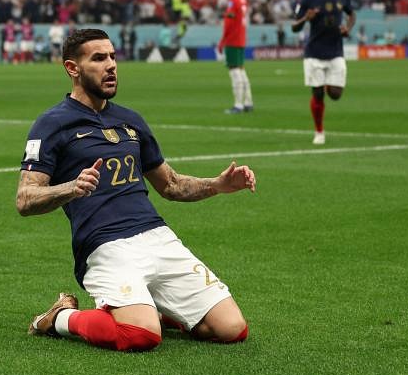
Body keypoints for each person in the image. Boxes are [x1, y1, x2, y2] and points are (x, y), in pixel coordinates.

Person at [17, 28, 255, 352]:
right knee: (140, 336)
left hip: (156, 236)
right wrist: (71, 188)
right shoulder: (52, 124)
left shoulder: (131, 120)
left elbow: (170, 184)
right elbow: (26, 199)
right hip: (105, 245)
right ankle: (60, 317)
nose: (111, 65)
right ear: (72, 68)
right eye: (99, 58)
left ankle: (150, 305)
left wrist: (218, 184)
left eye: (113, 57)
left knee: (232, 329)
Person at [291, 0, 355, 145]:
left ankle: (327, 84)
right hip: (314, 54)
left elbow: (352, 14)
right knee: (318, 95)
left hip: (336, 51)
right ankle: (319, 132)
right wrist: (306, 18)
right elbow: (294, 26)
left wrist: (348, 28)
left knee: (335, 94)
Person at [217, 0, 254, 114]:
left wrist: (222, 41)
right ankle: (248, 102)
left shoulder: (233, 0)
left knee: (234, 72)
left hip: (233, 40)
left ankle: (238, 105)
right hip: (241, 38)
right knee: (241, 70)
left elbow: (229, 23)